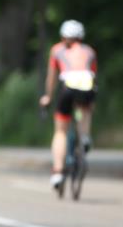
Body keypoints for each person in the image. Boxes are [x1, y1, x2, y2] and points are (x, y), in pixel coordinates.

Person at [40, 20, 97, 192]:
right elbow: (93, 75)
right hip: (86, 84)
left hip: (68, 86)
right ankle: (84, 136)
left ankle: (58, 171)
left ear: (63, 37)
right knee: (85, 110)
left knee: (60, 131)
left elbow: (51, 77)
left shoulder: (57, 50)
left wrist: (48, 97)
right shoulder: (89, 51)